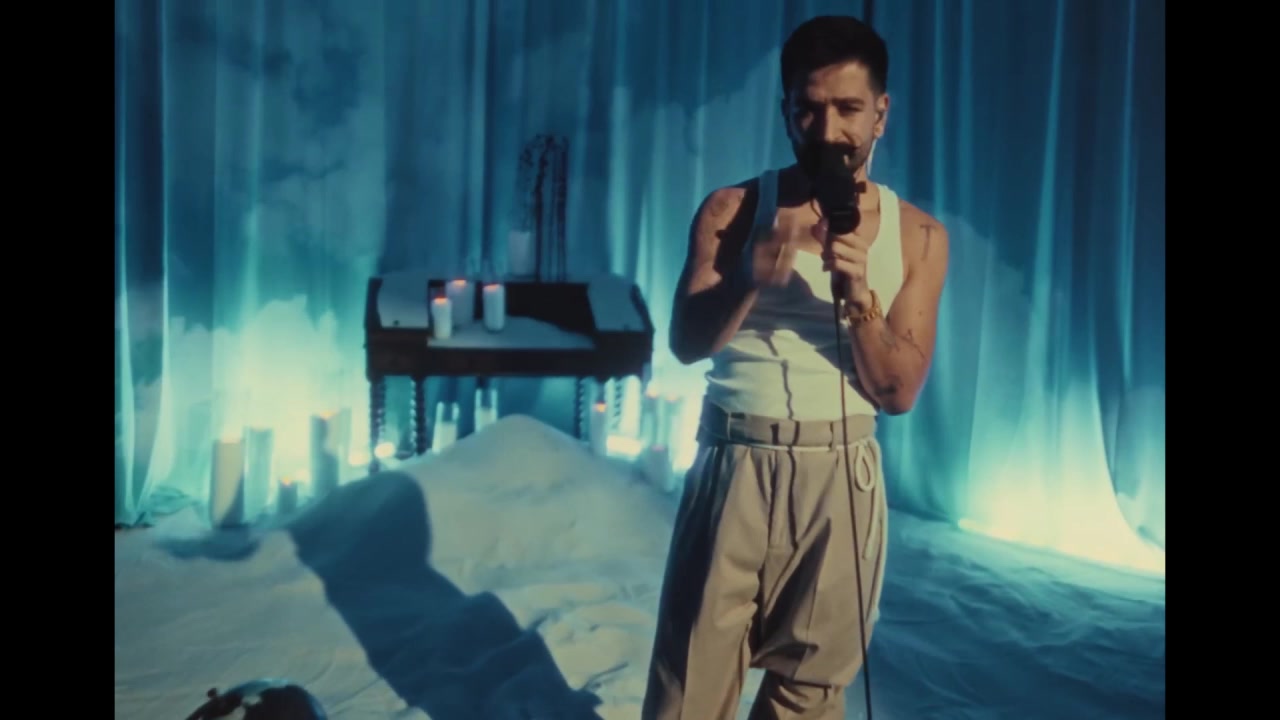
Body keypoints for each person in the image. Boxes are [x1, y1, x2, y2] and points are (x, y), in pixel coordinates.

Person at [642, 15, 949, 720]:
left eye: (848, 109)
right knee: (688, 688)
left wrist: (859, 299)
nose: (827, 130)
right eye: (808, 109)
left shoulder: (919, 235)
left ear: (881, 114)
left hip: (841, 472)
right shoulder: (732, 208)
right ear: (785, 111)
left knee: (809, 693)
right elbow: (686, 344)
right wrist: (746, 279)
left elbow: (898, 392)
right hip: (734, 459)